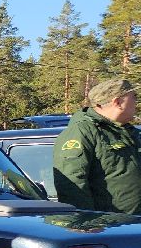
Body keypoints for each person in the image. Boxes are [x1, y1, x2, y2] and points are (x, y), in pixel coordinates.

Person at [52, 77, 141, 214]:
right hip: (111, 227)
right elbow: (72, 183)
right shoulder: (83, 131)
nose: (136, 101)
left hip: (134, 225)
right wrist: (86, 222)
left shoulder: (130, 132)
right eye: (133, 97)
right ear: (118, 103)